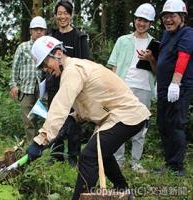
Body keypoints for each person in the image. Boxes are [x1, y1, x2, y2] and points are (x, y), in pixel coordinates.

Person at [27, 35, 150, 200]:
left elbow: (61, 104)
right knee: (102, 153)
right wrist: (73, 118)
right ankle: (125, 192)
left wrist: (41, 139)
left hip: (126, 115)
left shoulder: (72, 70)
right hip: (119, 116)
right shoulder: (76, 68)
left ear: (57, 53)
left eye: (44, 64)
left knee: (88, 156)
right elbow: (91, 100)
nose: (45, 70)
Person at [107, 3, 156, 173]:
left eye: (145, 21)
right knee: (119, 123)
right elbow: (113, 66)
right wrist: (112, 88)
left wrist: (150, 59)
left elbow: (158, 71)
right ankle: (118, 161)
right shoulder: (123, 41)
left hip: (145, 88)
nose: (141, 23)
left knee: (141, 127)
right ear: (135, 20)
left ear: (150, 23)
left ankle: (136, 162)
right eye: (139, 19)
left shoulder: (155, 44)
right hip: (123, 87)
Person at [47, 0, 90, 166]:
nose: (62, 16)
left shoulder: (79, 37)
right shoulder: (51, 37)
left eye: (65, 13)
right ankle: (56, 155)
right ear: (55, 16)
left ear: (71, 15)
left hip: (73, 86)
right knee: (55, 119)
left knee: (73, 122)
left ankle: (73, 157)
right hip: (54, 86)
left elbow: (86, 63)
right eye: (59, 13)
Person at [156, 0, 193, 177]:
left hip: (179, 88)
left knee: (176, 125)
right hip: (164, 88)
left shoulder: (187, 33)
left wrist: (175, 83)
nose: (168, 20)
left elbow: (183, 57)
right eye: (165, 16)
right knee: (163, 125)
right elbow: (163, 61)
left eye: (173, 16)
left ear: (182, 17)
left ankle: (177, 167)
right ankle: (169, 162)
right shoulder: (165, 35)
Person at [9, 16, 47, 143]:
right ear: (30, 31)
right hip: (26, 89)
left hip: (43, 89)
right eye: (36, 29)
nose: (39, 32)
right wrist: (13, 85)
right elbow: (15, 67)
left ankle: (45, 146)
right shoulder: (23, 47)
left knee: (46, 118)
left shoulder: (48, 47)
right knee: (28, 120)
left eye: (41, 29)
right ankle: (32, 146)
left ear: (45, 31)